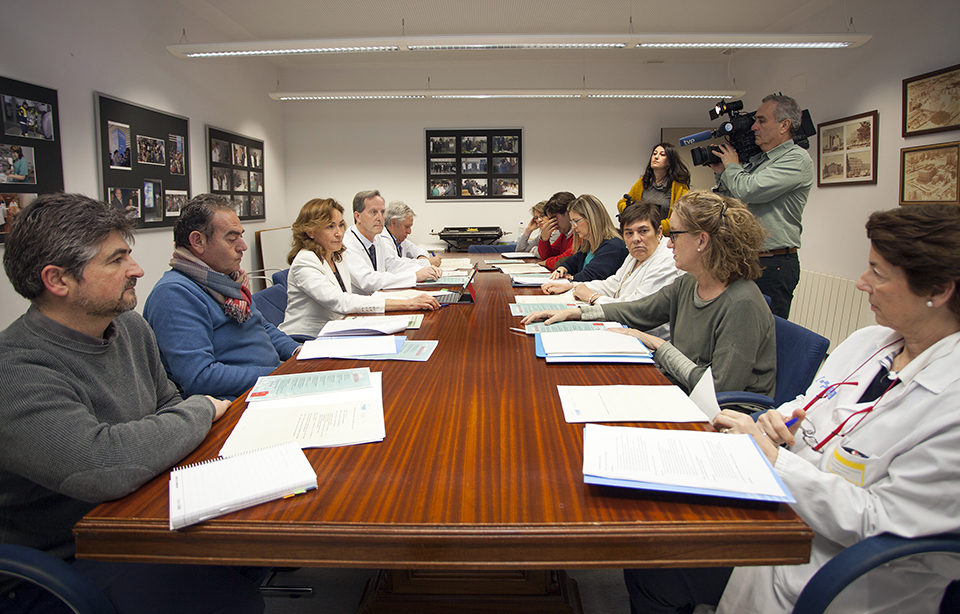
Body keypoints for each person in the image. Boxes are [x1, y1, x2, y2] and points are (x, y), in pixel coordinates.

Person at [626, 203, 960, 614]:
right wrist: (773, 420)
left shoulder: (951, 405)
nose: (860, 282)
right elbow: (810, 402)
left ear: (938, 290)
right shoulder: (870, 342)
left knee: (655, 567)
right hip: (782, 501)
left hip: (834, 566)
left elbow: (878, 524)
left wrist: (773, 459)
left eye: (878, 272)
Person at [0, 193, 263, 614]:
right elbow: (102, 463)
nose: (137, 270)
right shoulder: (15, 369)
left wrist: (188, 413)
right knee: (233, 600)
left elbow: (167, 404)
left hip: (147, 510)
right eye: (117, 260)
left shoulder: (129, 328)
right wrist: (202, 409)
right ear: (58, 280)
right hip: (69, 557)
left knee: (259, 544)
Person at [523, 191, 774, 395]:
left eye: (674, 234)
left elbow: (718, 388)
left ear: (702, 241)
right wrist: (575, 313)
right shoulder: (689, 283)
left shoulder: (742, 302)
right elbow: (638, 310)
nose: (669, 244)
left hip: (721, 412)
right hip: (680, 385)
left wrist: (657, 344)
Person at [144, 193, 299, 399]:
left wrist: (297, 352)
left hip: (266, 385)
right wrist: (279, 375)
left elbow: (261, 326)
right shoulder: (174, 294)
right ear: (197, 241)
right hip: (236, 402)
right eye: (232, 238)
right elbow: (200, 377)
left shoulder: (229, 281)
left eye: (241, 236)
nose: (243, 246)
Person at [711, 93, 814, 319]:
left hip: (774, 264)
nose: (754, 127)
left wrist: (732, 166)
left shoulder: (796, 159)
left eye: (761, 120)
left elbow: (749, 190)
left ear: (784, 125)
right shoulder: (759, 161)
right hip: (747, 259)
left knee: (767, 335)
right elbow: (733, 201)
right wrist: (722, 172)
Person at [280, 198, 440, 337]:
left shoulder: (336, 256)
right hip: (305, 338)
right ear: (310, 231)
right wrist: (408, 303)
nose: (339, 233)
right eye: (330, 226)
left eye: (341, 225)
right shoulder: (305, 261)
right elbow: (341, 302)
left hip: (338, 327)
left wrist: (410, 299)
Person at [542, 202, 681, 337]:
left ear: (659, 232)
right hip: (622, 326)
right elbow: (614, 283)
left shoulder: (668, 260)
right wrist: (573, 286)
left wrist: (593, 297)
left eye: (643, 231)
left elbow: (635, 309)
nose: (636, 239)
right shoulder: (636, 254)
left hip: (646, 340)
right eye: (629, 233)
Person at [342, 190, 441, 294]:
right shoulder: (347, 244)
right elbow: (368, 281)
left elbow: (394, 265)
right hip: (362, 305)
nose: (380, 218)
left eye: (382, 212)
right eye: (373, 212)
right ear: (358, 216)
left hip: (380, 298)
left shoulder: (376, 239)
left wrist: (427, 268)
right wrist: (415, 276)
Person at [544, 194, 627, 283]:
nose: (573, 227)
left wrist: (571, 279)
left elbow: (590, 276)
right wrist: (562, 268)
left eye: (575, 221)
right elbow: (572, 262)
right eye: (571, 222)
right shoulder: (588, 244)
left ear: (591, 219)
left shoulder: (613, 247)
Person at [616, 142, 691, 219]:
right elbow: (621, 203)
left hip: (665, 230)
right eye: (654, 154)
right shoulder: (644, 181)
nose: (656, 157)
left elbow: (683, 217)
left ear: (669, 162)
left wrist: (657, 226)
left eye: (662, 155)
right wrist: (634, 209)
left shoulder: (679, 187)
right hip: (643, 229)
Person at [382, 200, 442, 266]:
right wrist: (427, 262)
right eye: (407, 227)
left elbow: (418, 250)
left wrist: (422, 258)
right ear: (393, 223)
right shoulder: (383, 240)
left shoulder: (399, 240)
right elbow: (394, 264)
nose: (409, 232)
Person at [537, 191, 575, 270]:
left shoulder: (579, 233)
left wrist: (546, 262)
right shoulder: (565, 234)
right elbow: (547, 256)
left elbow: (566, 259)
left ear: (568, 214)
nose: (553, 223)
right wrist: (544, 239)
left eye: (554, 218)